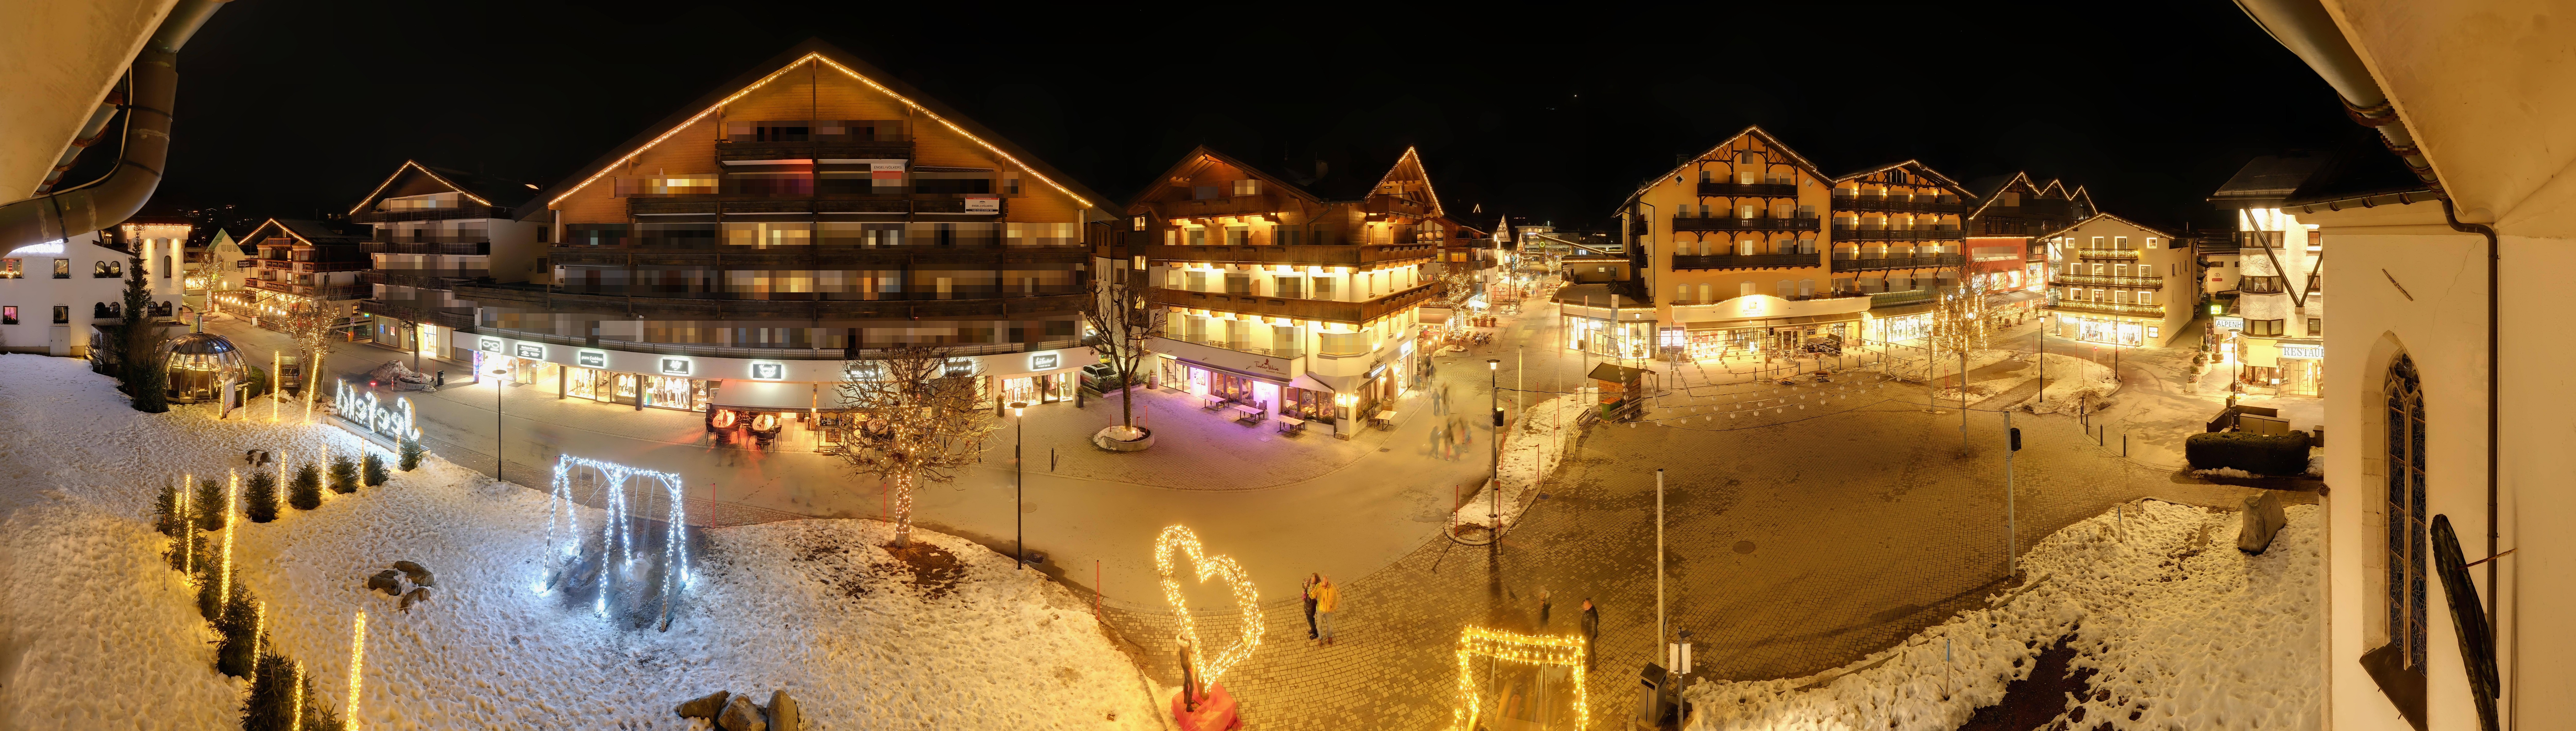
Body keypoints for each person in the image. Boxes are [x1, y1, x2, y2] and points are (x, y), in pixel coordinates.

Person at [1313, 575, 1341, 646]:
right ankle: (1320, 639)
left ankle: (1330, 637)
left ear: (1328, 581)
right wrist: (1312, 588)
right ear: (1322, 581)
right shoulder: (1319, 587)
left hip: (1329, 611)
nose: (1325, 582)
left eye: (1326, 581)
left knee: (1330, 625)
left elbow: (1336, 598)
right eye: (1324, 581)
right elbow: (1313, 595)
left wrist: (1334, 607)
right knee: (1320, 626)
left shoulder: (1332, 588)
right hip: (1321, 610)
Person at [1580, 598, 1599, 668]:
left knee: (1591, 650)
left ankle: (1592, 666)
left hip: (1590, 637)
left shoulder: (1592, 616)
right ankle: (1588, 659)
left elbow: (1593, 629)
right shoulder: (1587, 611)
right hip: (1586, 635)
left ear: (1590, 605)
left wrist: (1589, 639)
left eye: (1585, 605)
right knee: (1588, 649)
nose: (1583, 606)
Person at [1302, 573, 1321, 640]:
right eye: (1312, 577)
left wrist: (1307, 587)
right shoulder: (1310, 585)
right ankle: (1313, 630)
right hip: (1307, 605)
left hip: (1311, 606)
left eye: (1314, 578)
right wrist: (1306, 585)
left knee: (1311, 620)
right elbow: (1305, 589)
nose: (1312, 579)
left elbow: (1312, 596)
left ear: (1316, 580)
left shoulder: (1316, 587)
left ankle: (1315, 633)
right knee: (1309, 619)